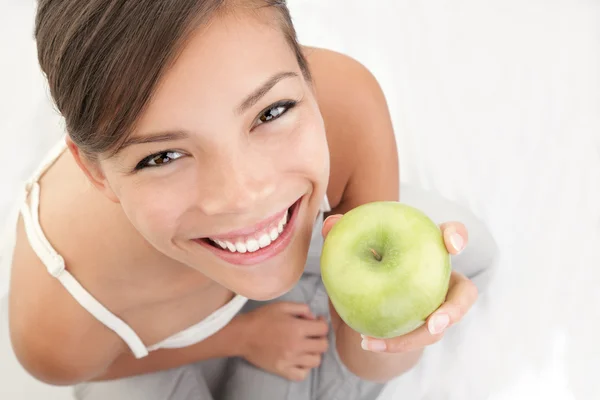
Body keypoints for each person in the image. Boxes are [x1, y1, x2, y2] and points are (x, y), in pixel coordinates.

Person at [3, 1, 488, 399]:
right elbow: (101, 366)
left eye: (271, 111)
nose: (244, 196)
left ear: (307, 71)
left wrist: (405, 326)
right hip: (158, 341)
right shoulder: (60, 314)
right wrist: (241, 338)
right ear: (94, 173)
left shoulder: (350, 105)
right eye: (164, 155)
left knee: (477, 249)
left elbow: (366, 359)